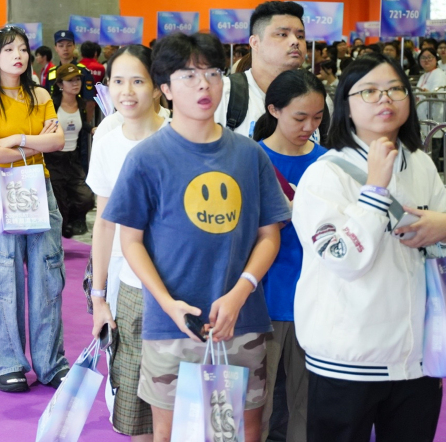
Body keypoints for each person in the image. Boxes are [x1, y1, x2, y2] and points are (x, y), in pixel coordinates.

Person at [103, 31, 288, 442]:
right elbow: (130, 241)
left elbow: (269, 235)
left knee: (242, 431)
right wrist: (167, 304)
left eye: (212, 73)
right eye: (188, 75)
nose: (204, 84)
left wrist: (240, 292)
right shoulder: (146, 158)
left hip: (241, 319)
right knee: (171, 432)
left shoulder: (249, 154)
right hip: (172, 325)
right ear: (165, 89)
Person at [293, 54, 446, 442]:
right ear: (346, 105)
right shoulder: (325, 174)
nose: (385, 99)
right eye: (370, 91)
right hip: (347, 359)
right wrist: (375, 190)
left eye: (395, 89)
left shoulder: (421, 164)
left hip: (417, 359)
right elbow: (343, 259)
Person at [0, 25, 68, 393]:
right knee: (4, 275)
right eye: (10, 49)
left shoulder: (40, 94)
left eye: (23, 49)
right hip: (2, 189)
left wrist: (15, 139)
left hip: (39, 188)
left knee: (47, 274)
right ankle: (7, 361)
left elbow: (58, 142)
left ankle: (50, 361)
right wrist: (34, 144)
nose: (18, 55)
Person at [88, 44, 166, 442]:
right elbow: (104, 224)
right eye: (118, 81)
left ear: (157, 86)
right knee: (131, 391)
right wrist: (99, 297)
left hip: (175, 277)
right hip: (126, 279)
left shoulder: (178, 133)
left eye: (138, 81)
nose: (127, 92)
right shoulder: (106, 140)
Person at [249, 70, 328, 442]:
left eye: (317, 117)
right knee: (255, 405)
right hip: (261, 297)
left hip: (315, 299)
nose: (309, 127)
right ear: (274, 110)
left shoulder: (329, 164)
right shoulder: (251, 158)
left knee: (307, 405)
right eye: (300, 117)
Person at [215, 1, 314, 138]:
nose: (295, 41)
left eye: (300, 36)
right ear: (255, 43)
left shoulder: (315, 98)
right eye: (282, 34)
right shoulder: (223, 95)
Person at [46, 63, 94, 238]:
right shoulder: (52, 105)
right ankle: (63, 229)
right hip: (54, 159)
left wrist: (91, 129)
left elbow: (80, 124)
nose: (75, 84)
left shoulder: (81, 104)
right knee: (59, 201)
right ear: (60, 84)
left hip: (74, 159)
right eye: (70, 80)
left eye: (78, 80)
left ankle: (74, 220)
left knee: (86, 197)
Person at [44, 31, 95, 114]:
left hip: (78, 116)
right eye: (61, 46)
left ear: (74, 46)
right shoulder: (51, 73)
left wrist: (85, 121)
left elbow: (89, 102)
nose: (65, 49)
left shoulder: (83, 71)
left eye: (69, 45)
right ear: (56, 48)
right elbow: (46, 99)